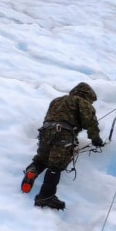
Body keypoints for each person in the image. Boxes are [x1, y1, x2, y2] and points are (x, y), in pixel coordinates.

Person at [20, 82, 103, 210]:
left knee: (42, 160)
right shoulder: (82, 102)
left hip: (45, 132)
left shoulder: (57, 100)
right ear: (86, 95)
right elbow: (90, 123)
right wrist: (96, 139)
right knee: (56, 166)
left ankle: (31, 172)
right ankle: (46, 196)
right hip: (63, 134)